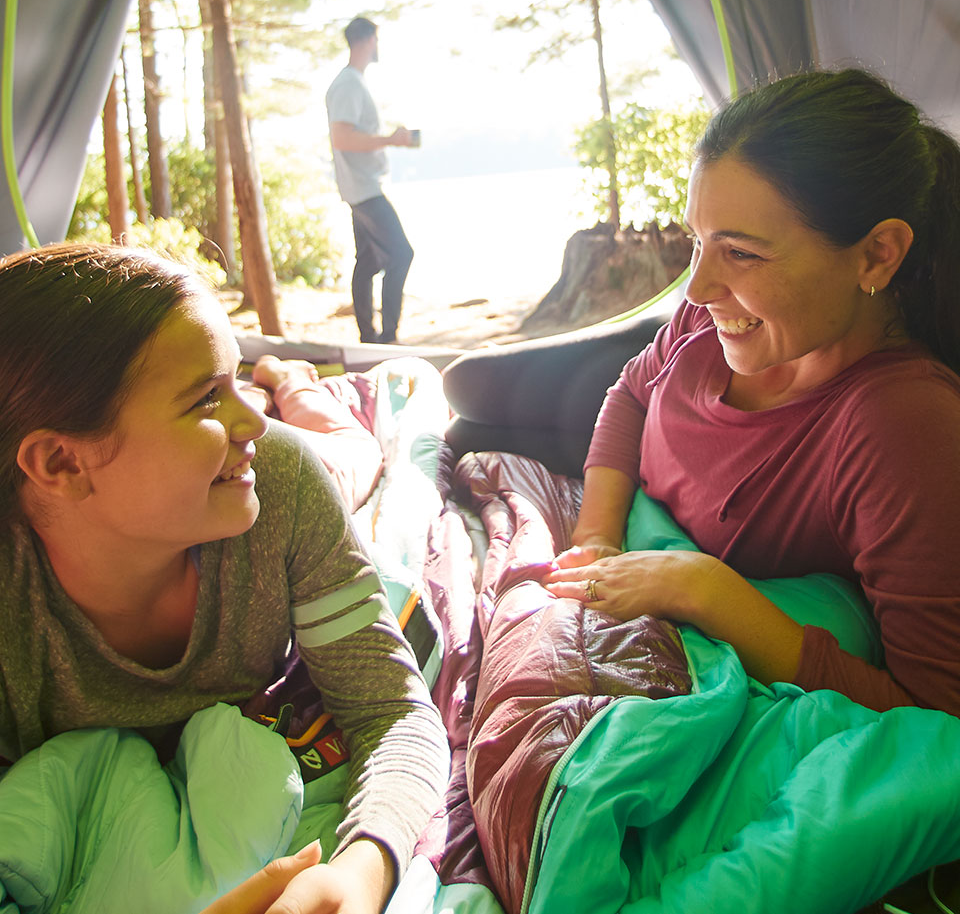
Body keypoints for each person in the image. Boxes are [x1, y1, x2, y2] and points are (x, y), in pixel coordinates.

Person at [0, 242, 448, 914]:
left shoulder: (280, 479)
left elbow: (393, 712)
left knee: (355, 456)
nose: (250, 423)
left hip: (313, 470)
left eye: (233, 384)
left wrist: (365, 866)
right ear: (61, 461)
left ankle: (292, 382)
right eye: (207, 399)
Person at [544, 68, 960, 717]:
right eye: (697, 241)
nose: (696, 287)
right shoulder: (714, 317)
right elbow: (631, 394)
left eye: (740, 253)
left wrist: (710, 591)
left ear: (878, 254)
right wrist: (596, 539)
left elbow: (935, 712)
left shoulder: (903, 428)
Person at [325, 16, 415, 346]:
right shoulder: (348, 83)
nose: (378, 46)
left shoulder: (353, 82)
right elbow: (343, 138)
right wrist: (390, 140)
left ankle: (369, 338)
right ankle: (386, 337)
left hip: (359, 188)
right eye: (376, 39)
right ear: (366, 40)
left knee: (368, 261)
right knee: (401, 254)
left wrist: (391, 140)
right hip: (363, 189)